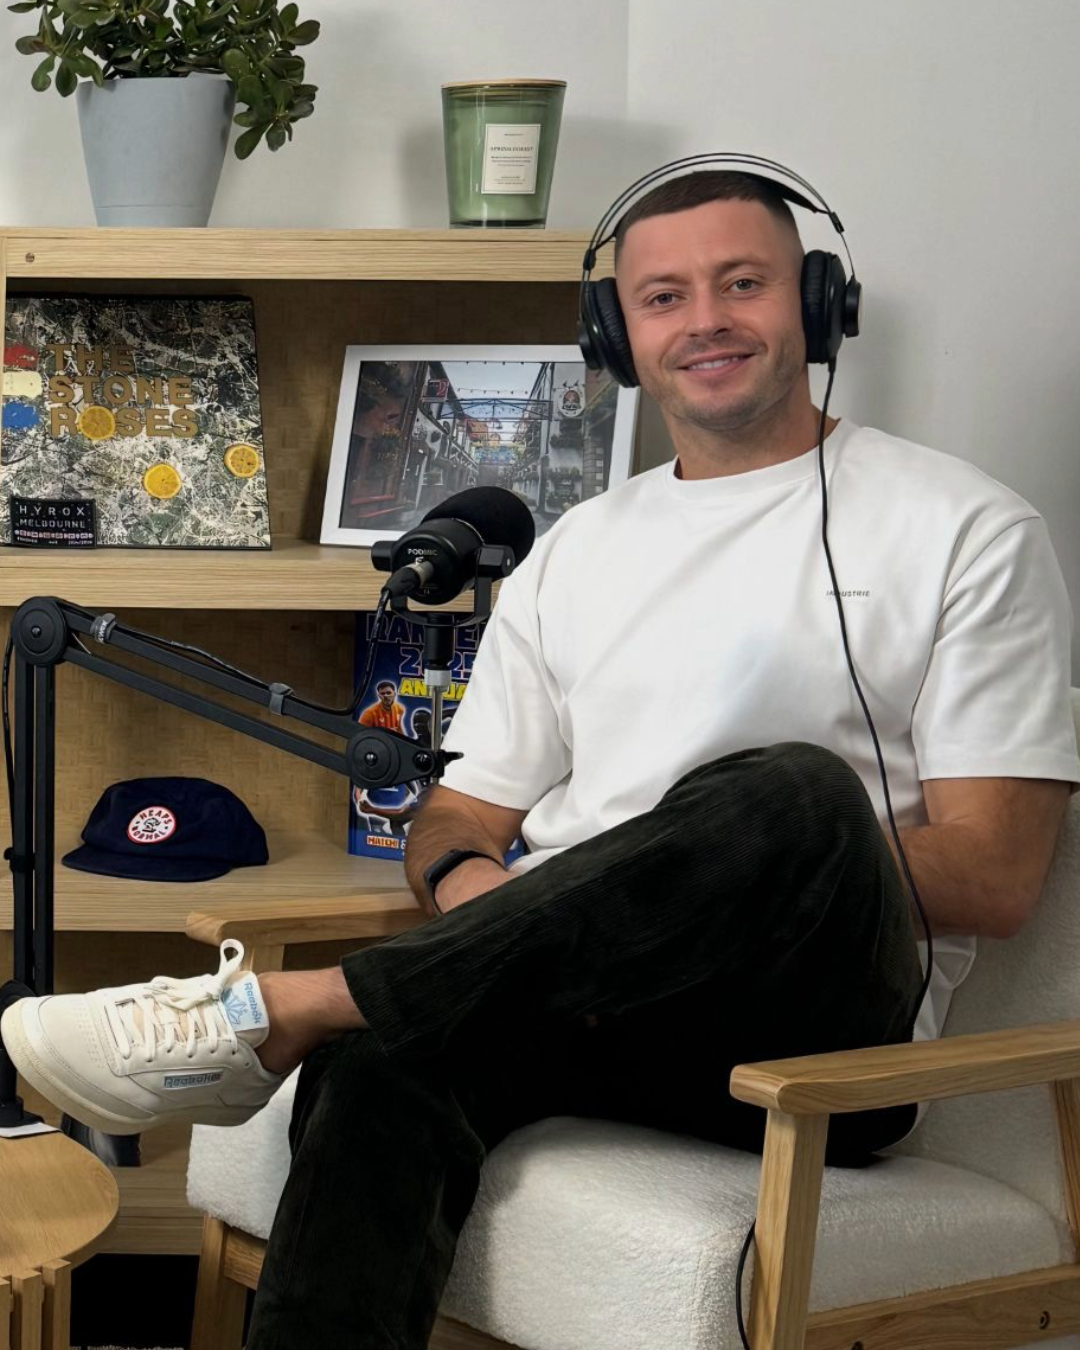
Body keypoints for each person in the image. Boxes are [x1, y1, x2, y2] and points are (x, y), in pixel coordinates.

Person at [4, 168, 1078, 1350]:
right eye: (663, 296)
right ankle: (332, 1022)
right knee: (383, 1068)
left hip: (813, 1031)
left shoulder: (966, 527)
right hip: (584, 999)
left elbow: (998, 874)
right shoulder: (579, 549)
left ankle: (294, 1007)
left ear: (817, 306)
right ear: (617, 335)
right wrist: (495, 903)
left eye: (743, 283)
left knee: (790, 795)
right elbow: (456, 815)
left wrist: (695, 872)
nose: (705, 319)